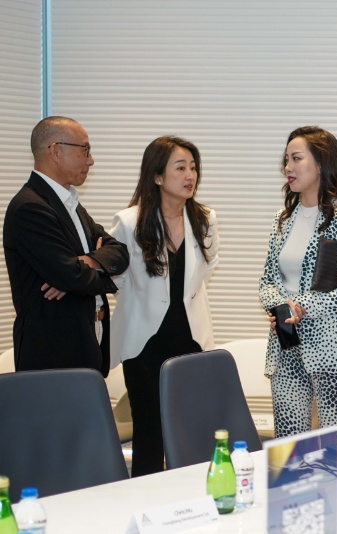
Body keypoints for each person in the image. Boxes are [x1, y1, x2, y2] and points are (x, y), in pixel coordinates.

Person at [109, 136, 219, 476]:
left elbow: (206, 271)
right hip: (144, 343)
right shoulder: (130, 222)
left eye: (193, 168)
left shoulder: (205, 219)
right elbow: (116, 278)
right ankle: (145, 502)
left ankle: (193, 498)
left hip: (190, 340)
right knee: (149, 433)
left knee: (191, 430)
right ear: (157, 176)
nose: (190, 175)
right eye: (180, 168)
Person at [3, 116, 129, 376]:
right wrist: (83, 270)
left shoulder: (69, 202)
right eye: (85, 150)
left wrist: (86, 261)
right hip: (54, 352)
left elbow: (119, 252)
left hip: (88, 339)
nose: (91, 160)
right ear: (56, 151)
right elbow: (71, 276)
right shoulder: (30, 207)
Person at [259, 126, 337, 438]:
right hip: (286, 343)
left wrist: (300, 305)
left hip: (333, 348)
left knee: (335, 446)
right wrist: (280, 307)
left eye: (296, 159)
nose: (288, 167)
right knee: (288, 444)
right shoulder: (282, 218)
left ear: (321, 163)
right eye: (286, 160)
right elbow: (267, 280)